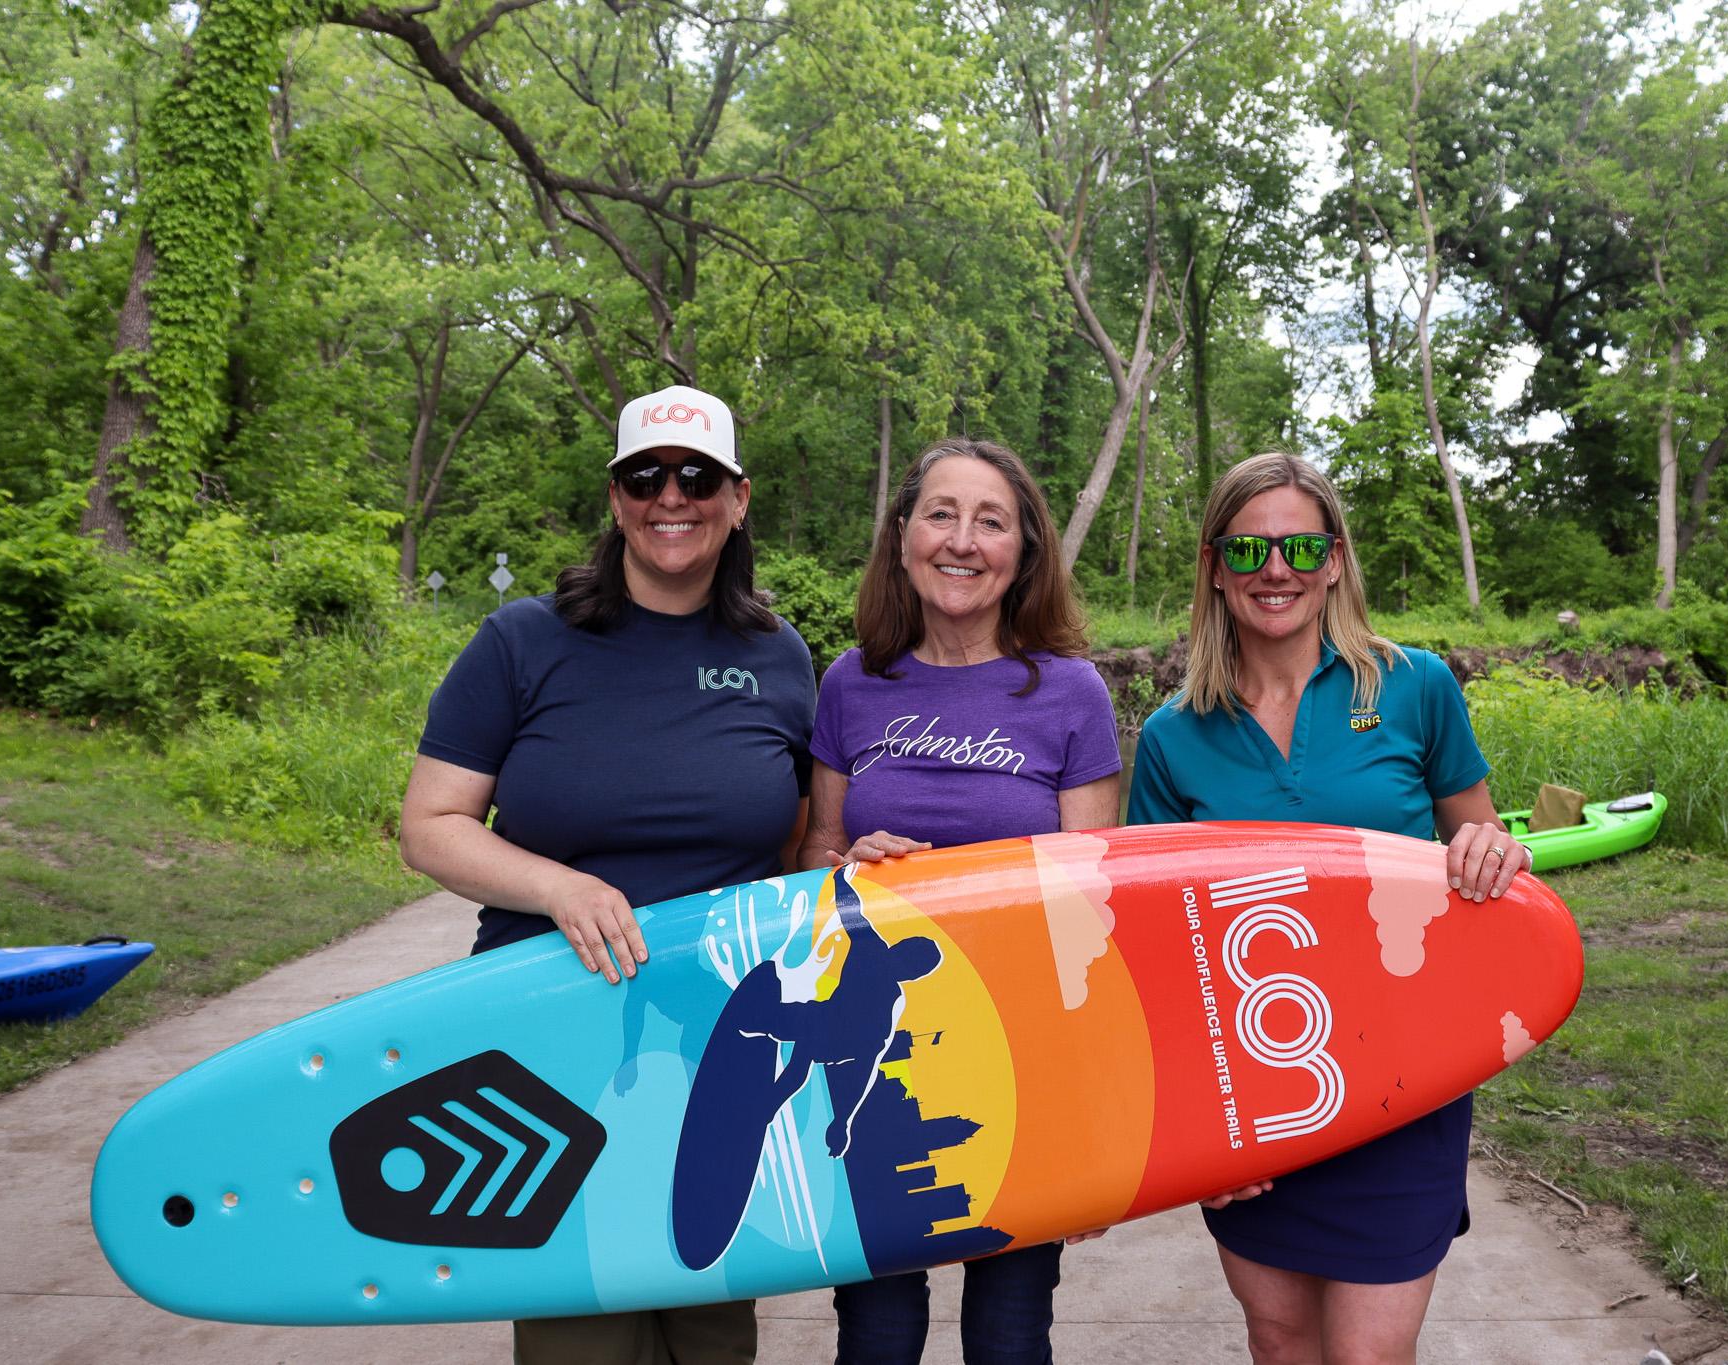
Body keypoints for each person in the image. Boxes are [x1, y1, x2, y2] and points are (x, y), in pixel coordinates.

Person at [398, 383, 815, 1365]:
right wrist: (559, 887)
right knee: (577, 1330)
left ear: (737, 496)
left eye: (696, 475)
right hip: (551, 1030)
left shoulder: (781, 657)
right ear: (616, 494)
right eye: (645, 475)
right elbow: (430, 825)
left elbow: (795, 850)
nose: (671, 496)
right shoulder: (521, 642)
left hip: (723, 1042)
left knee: (713, 1322)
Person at [1125, 452, 1533, 1365]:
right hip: (1251, 1092)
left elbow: (1486, 841)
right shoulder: (1170, 736)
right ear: (1215, 566)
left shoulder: (1416, 686)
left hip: (1405, 1076)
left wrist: (1497, 849)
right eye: (1251, 548)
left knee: (1370, 1354)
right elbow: (1153, 950)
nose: (1279, 569)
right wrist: (1195, 1125)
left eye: (1303, 545)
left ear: (1337, 560)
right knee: (1278, 1337)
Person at [796, 438, 1123, 1365]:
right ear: (902, 535)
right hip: (874, 1058)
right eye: (941, 513)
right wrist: (847, 857)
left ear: (1025, 551)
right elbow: (813, 854)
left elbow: (1089, 917)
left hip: (1022, 1057)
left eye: (992, 521)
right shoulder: (850, 682)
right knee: (876, 1328)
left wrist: (1093, 1121)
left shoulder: (1070, 692)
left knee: (1012, 1332)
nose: (963, 540)